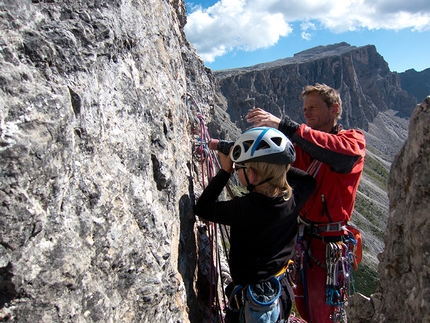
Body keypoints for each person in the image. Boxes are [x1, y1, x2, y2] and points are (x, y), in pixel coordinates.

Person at [245, 83, 366, 323]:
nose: (306, 112)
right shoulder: (301, 146)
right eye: (304, 108)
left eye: (313, 107)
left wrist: (285, 126)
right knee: (303, 304)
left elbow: (341, 156)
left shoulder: (353, 140)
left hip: (329, 244)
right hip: (302, 239)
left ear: (335, 109)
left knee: (323, 312)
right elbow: (269, 163)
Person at [194, 127, 316, 323]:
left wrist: (225, 171)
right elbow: (308, 180)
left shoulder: (245, 209)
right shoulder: (293, 197)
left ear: (252, 175)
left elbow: (203, 208)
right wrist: (278, 164)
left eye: (239, 167)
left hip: (251, 302)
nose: (236, 170)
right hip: (281, 291)